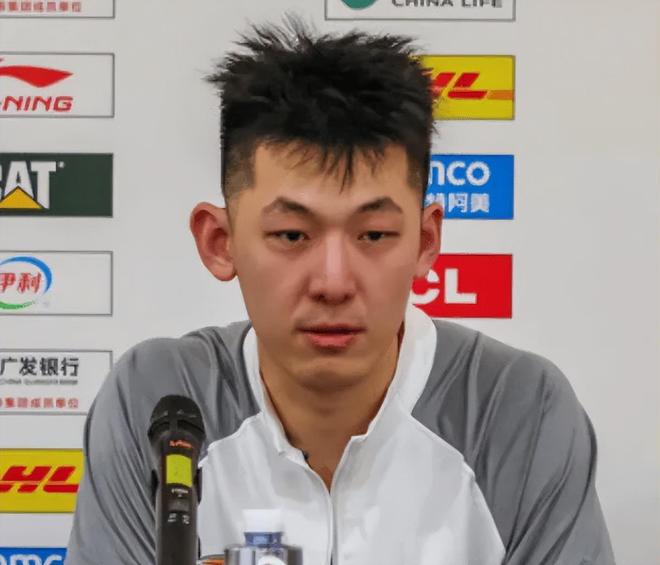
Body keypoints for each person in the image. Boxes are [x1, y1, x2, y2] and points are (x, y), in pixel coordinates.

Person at [66, 20, 616, 565]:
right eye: (291, 235)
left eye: (373, 235)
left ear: (425, 242)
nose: (333, 283)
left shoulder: (518, 409)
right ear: (220, 241)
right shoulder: (161, 400)